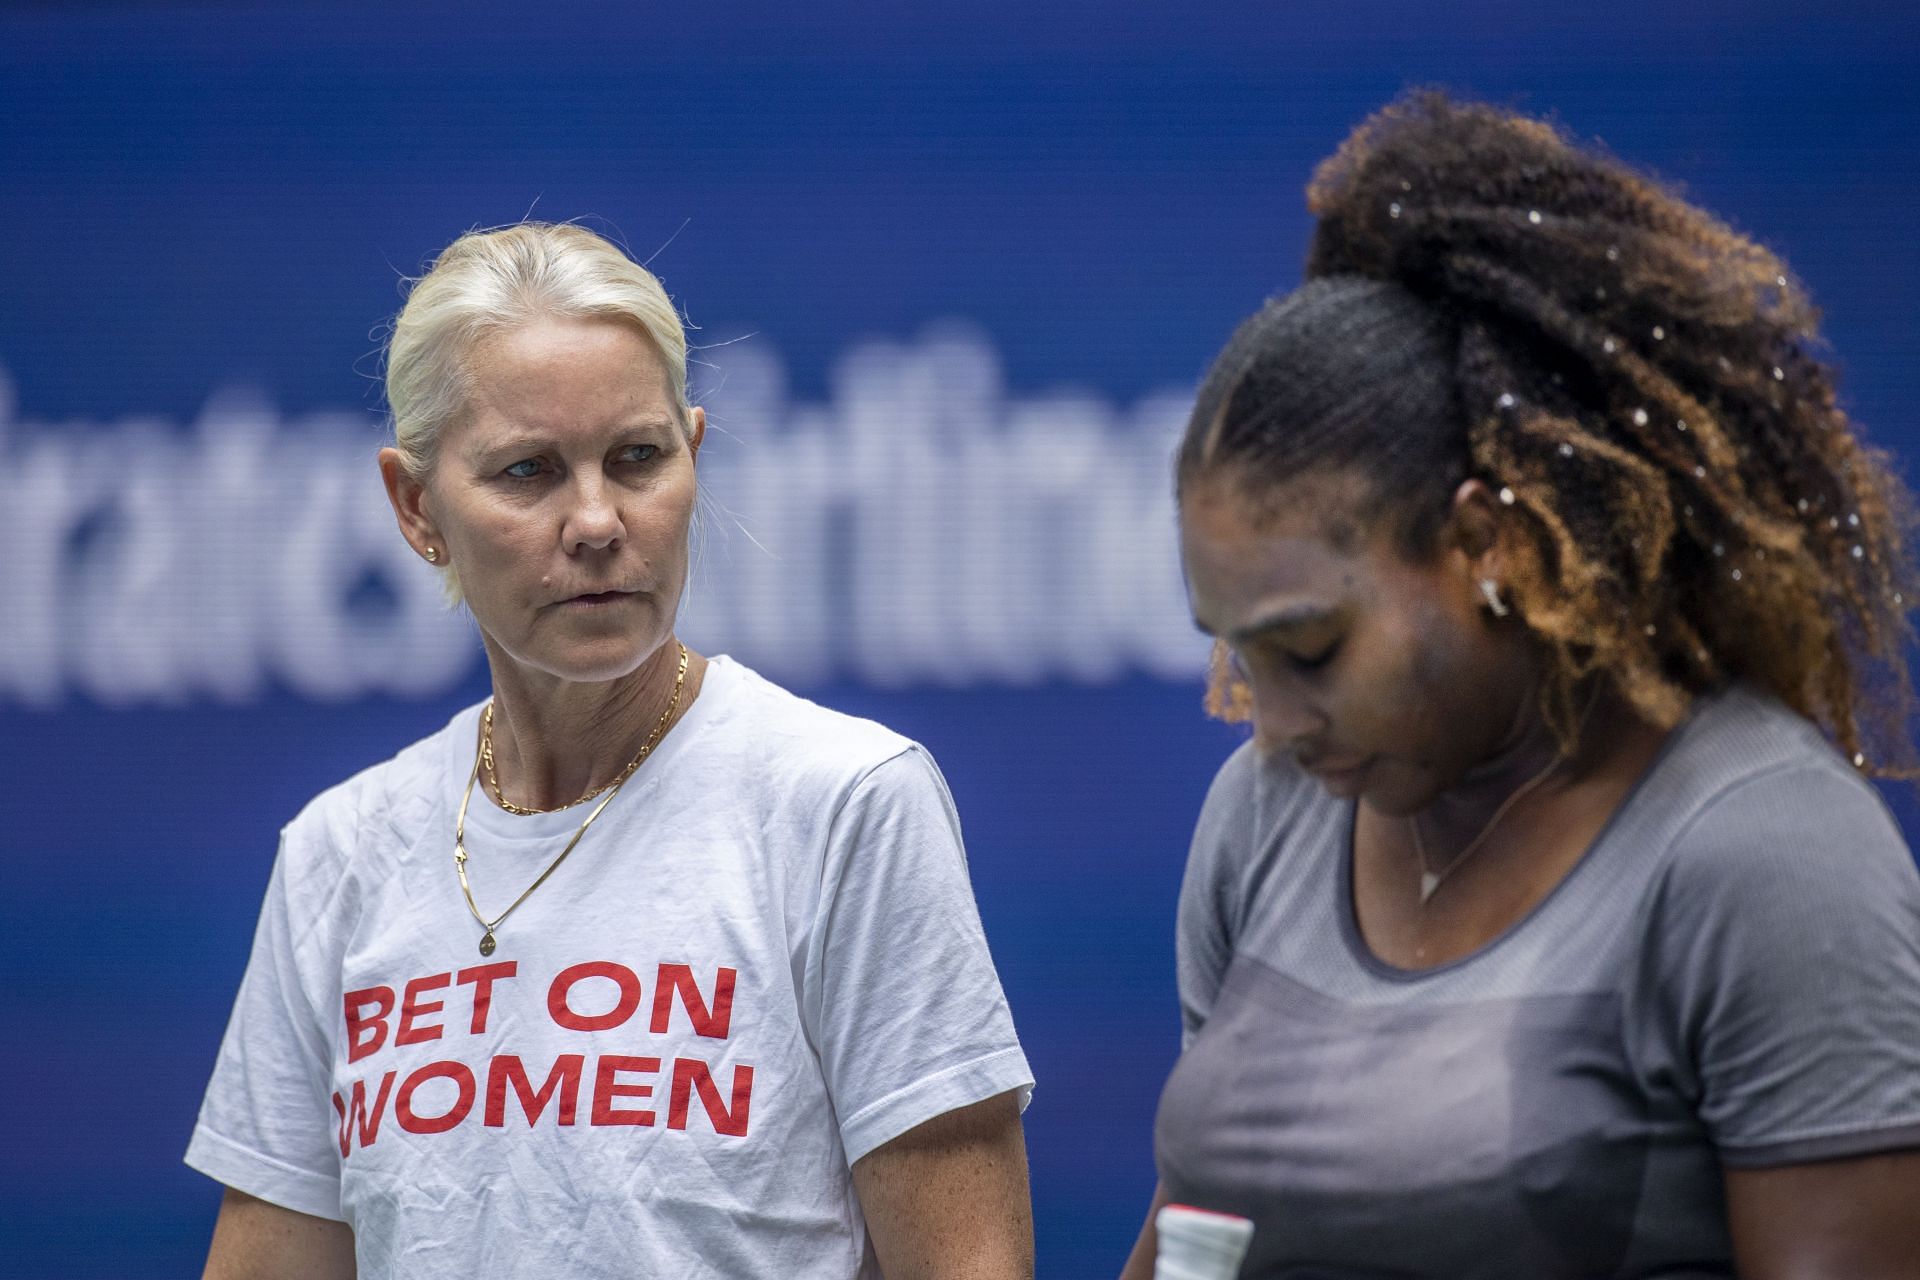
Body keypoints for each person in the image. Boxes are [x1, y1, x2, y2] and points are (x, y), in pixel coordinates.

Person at [1121, 94, 1920, 1279]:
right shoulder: (1262, 819)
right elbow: (1201, 1238)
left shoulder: (1768, 855)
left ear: (1489, 542)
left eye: (1312, 650)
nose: (1276, 725)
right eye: (1236, 651)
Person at [186, 222, 1036, 1280]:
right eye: (528, 471)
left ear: (695, 454)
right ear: (416, 507)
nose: (596, 520)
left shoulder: (844, 803)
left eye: (637, 458)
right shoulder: (340, 851)